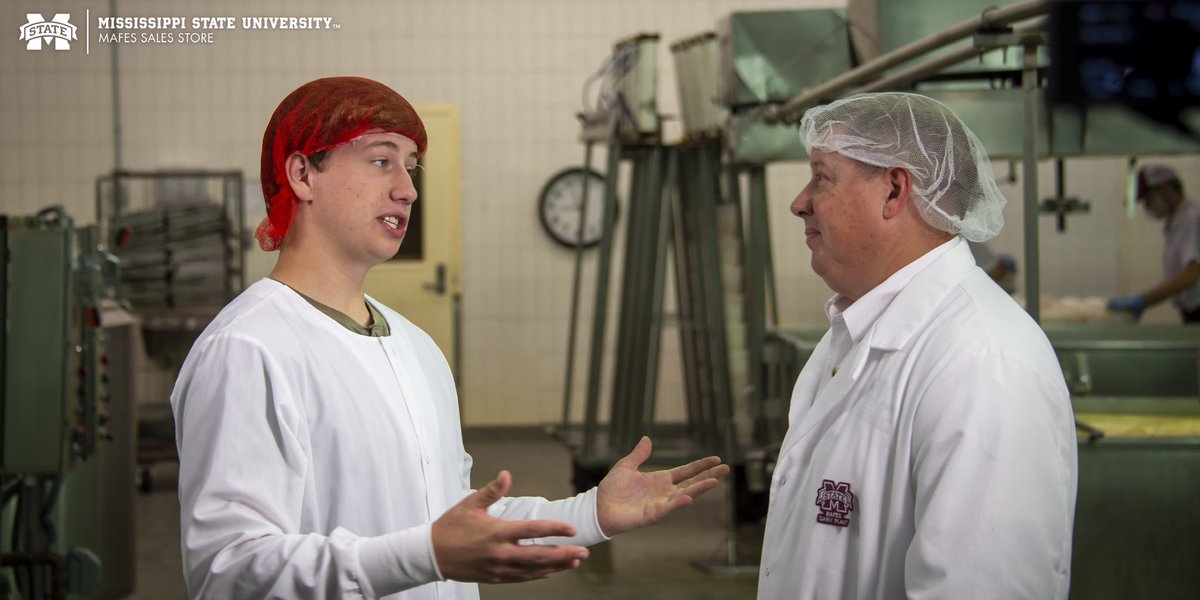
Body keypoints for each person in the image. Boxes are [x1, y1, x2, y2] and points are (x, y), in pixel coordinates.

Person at [171, 76, 729, 599]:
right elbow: (229, 569)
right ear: (302, 175)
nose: (408, 190)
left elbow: (447, 518)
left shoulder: (414, 346)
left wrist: (590, 515)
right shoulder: (249, 349)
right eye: (381, 161)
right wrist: (423, 556)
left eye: (411, 167)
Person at [757, 92, 1077, 599]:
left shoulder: (984, 363)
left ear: (893, 190)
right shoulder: (856, 328)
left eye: (822, 177)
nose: (800, 202)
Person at [1107, 163, 1200, 323]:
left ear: (1164, 189)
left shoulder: (1193, 219)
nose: (1148, 208)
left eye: (1148, 200)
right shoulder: (1176, 223)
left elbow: (1189, 276)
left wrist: (1143, 300)